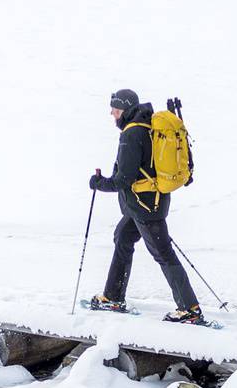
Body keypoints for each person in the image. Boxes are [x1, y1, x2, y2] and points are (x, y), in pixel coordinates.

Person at [86, 88, 205, 325]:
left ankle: (190, 309)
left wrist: (99, 183)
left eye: (116, 110)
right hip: (147, 203)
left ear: (126, 109)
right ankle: (113, 296)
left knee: (163, 253)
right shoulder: (149, 126)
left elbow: (123, 179)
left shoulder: (131, 134)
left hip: (144, 206)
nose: (113, 114)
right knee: (122, 237)